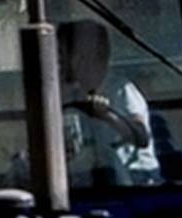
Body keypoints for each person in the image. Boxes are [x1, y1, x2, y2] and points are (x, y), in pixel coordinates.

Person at [60, 19, 161, 187]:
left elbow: (142, 137)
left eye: (66, 56)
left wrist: (107, 116)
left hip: (138, 183)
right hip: (98, 181)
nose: (63, 64)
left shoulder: (120, 89)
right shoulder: (75, 96)